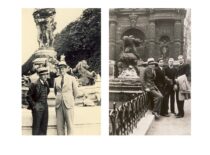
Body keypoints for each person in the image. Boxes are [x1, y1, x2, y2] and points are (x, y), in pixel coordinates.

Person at [54, 61, 79, 135]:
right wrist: (59, 98)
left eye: (63, 68)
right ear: (59, 69)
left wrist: (71, 99)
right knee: (59, 126)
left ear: (66, 69)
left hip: (68, 104)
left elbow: (76, 92)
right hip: (59, 105)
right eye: (60, 68)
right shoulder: (56, 79)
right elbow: (56, 92)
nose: (62, 70)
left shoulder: (72, 78)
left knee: (70, 125)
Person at [26, 67, 50, 135]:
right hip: (37, 108)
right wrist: (34, 105)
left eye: (46, 74)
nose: (45, 76)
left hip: (45, 107)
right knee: (36, 128)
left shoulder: (47, 83)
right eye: (43, 74)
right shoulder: (34, 84)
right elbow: (28, 96)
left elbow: (47, 92)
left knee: (44, 127)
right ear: (40, 75)